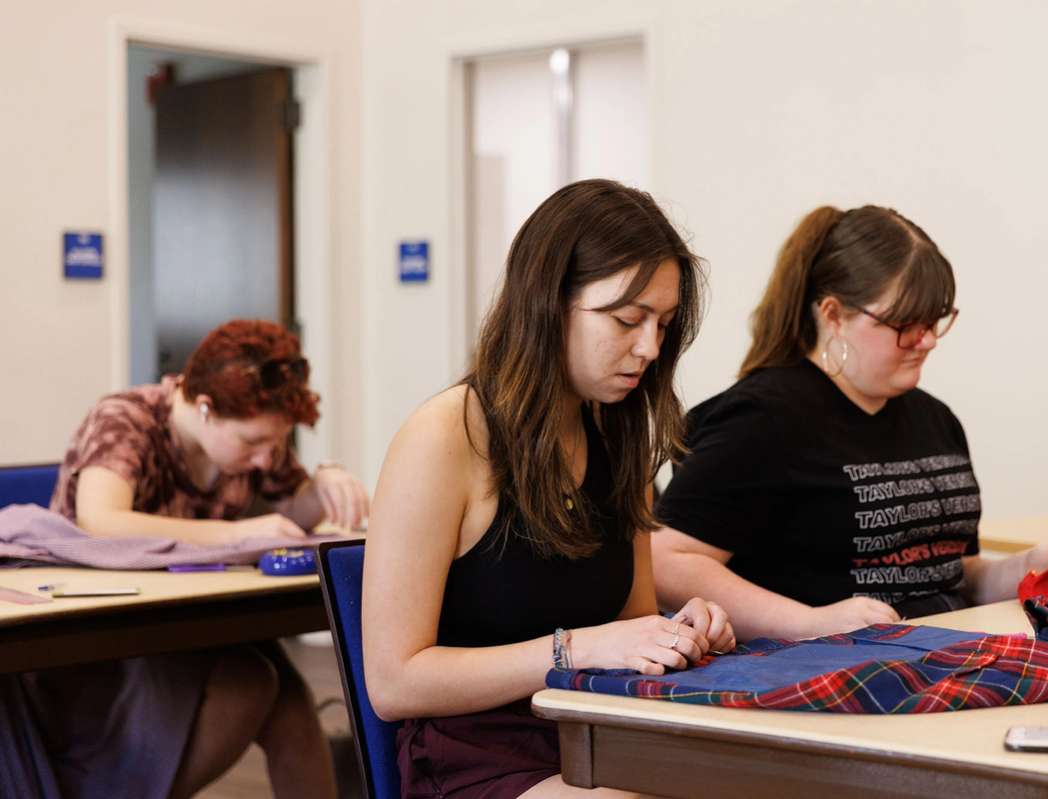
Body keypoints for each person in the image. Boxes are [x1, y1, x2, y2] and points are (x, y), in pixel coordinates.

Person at [363, 179, 735, 798]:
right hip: (477, 751)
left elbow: (631, 622)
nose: (649, 347)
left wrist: (680, 633)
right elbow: (395, 682)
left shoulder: (616, 433)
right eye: (626, 319)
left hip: (592, 729)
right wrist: (577, 650)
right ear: (546, 303)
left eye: (663, 324)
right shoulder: (447, 435)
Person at [652, 205, 1048, 642]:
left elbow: (947, 571)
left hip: (938, 655)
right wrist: (810, 623)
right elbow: (667, 560)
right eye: (905, 324)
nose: (927, 340)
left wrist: (1020, 570)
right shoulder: (760, 420)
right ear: (834, 315)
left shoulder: (935, 419)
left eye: (935, 319)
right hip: (822, 674)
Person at [27, 319, 369, 799]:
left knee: (291, 706)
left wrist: (326, 481)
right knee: (249, 685)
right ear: (205, 408)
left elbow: (293, 509)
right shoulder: (126, 419)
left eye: (276, 444)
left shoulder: (249, 447)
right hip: (99, 634)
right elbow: (100, 521)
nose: (265, 460)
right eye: (253, 443)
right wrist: (237, 533)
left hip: (189, 622)